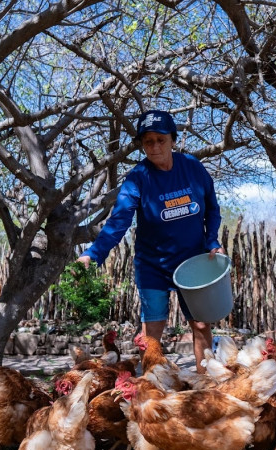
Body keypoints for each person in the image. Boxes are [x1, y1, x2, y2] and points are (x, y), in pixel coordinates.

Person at [77, 109, 225, 373]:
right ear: (142, 144)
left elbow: (212, 209)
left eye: (161, 139)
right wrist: (94, 253)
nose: (155, 146)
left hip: (193, 263)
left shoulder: (193, 168)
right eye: (148, 141)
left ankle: (207, 383)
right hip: (153, 265)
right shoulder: (138, 178)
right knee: (152, 331)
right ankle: (151, 387)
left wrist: (212, 239)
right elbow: (119, 220)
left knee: (201, 325)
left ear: (173, 139)